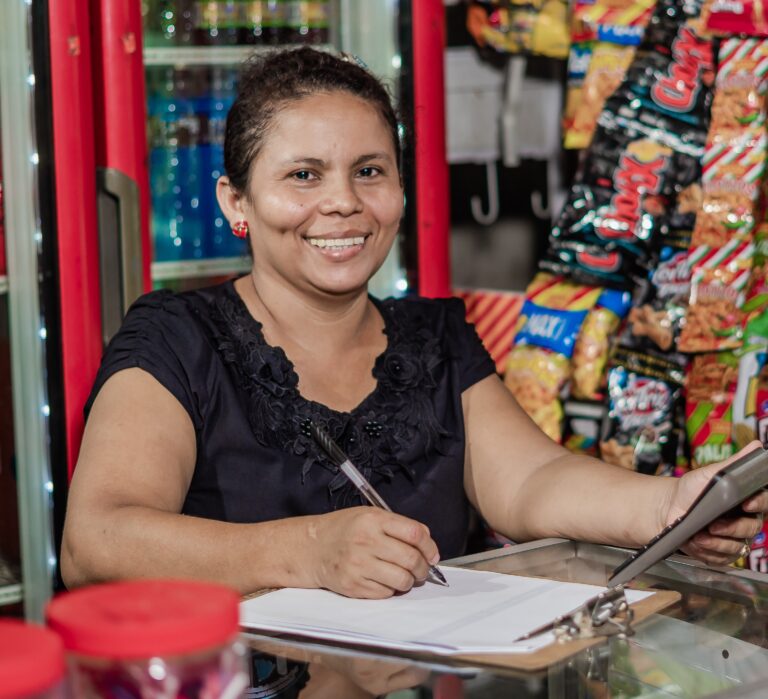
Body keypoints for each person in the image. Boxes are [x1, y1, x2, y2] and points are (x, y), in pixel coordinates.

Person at [61, 47, 767, 600]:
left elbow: (530, 482)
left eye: (369, 170)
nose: (342, 202)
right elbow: (95, 542)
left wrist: (671, 503)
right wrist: (307, 550)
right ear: (236, 201)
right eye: (303, 175)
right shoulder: (174, 338)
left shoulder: (435, 338)